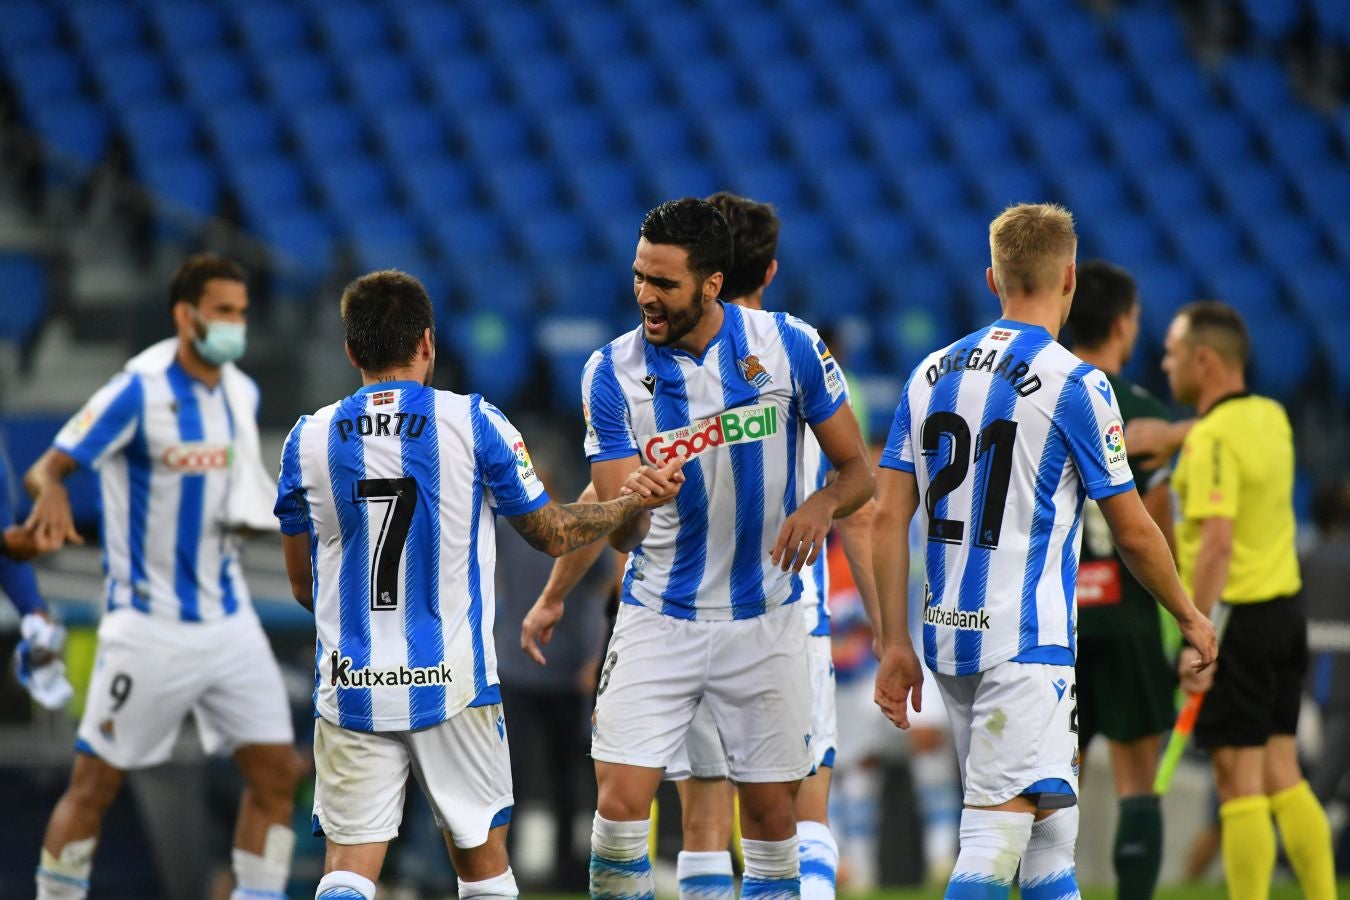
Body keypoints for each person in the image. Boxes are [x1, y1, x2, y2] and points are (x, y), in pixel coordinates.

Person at [274, 270, 683, 900]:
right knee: (483, 865)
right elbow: (551, 532)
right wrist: (624, 504)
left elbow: (303, 583)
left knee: (349, 866)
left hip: (352, 681)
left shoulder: (307, 438)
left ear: (352, 351)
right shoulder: (473, 422)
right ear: (429, 344)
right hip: (454, 681)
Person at [871, 203, 1216, 900]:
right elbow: (1135, 529)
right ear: (1070, 277)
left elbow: (885, 517)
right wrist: (1189, 615)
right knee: (993, 844)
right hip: (1025, 645)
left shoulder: (931, 372)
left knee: (1050, 840)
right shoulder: (1076, 384)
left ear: (992, 279)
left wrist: (893, 643)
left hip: (947, 640)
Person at [565, 197, 873, 900]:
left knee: (770, 816)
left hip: (766, 618)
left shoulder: (789, 345)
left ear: (711, 283)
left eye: (664, 282)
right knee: (618, 808)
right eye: (639, 275)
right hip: (659, 615)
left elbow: (856, 473)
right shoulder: (609, 374)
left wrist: (821, 505)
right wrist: (634, 503)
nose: (645, 294)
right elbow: (619, 529)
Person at [24, 254, 304, 900]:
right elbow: (48, 467)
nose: (237, 325)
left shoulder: (240, 390)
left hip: (230, 621)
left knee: (277, 775)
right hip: (147, 625)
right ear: (187, 314)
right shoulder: (136, 391)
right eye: (225, 311)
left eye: (242, 312)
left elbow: (235, 496)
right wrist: (52, 492)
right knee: (93, 786)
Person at [654, 191, 880, 900]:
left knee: (702, 817)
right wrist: (886, 630)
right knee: (799, 807)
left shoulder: (660, 355)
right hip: (786, 611)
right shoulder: (797, 354)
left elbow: (624, 494)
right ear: (771, 269)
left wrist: (571, 599)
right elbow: (858, 500)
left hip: (681, 609)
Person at [1161, 301, 1335, 900]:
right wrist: (1179, 433)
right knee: (1284, 774)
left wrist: (1195, 635)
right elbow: (1221, 430)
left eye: (1173, 353)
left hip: (1236, 619)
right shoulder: (1272, 416)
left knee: (1238, 782)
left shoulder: (1211, 438)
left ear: (1204, 360)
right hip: (1287, 614)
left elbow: (1215, 546)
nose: (1165, 364)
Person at [1064, 261, 1179, 900]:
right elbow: (1156, 531)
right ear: (1122, 323)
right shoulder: (1141, 410)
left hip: (1060, 620)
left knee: (1052, 788)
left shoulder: (1047, 392)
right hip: (1130, 617)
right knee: (1139, 782)